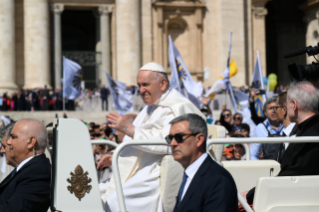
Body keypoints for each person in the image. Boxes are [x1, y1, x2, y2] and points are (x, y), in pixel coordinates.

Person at [104, 62, 205, 212]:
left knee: (116, 200)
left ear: (163, 84)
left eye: (145, 85)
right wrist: (113, 155)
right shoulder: (149, 108)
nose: (141, 90)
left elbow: (170, 143)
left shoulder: (177, 107)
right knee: (95, 194)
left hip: (156, 170)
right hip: (140, 168)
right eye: (139, 85)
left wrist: (129, 129)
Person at [246, 81, 319, 205]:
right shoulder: (306, 130)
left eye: (286, 103)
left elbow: (293, 174)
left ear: (294, 105)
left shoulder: (310, 136)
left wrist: (252, 194)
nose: (284, 108)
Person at [166, 114, 237, 212]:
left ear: (199, 139)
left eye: (179, 137)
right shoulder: (190, 175)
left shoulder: (218, 180)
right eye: (170, 138)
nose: (173, 143)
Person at [0, 119, 51, 211]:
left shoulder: (37, 172)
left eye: (13, 137)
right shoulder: (30, 168)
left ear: (31, 142)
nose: (8, 142)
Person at [250, 95, 283, 160]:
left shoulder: (289, 125)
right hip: (269, 168)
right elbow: (252, 155)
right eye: (270, 108)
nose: (274, 110)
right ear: (265, 113)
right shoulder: (260, 128)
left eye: (276, 107)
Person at [272, 92, 295, 162]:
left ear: (284, 110)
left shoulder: (298, 133)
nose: (274, 111)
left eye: (276, 108)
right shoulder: (285, 134)